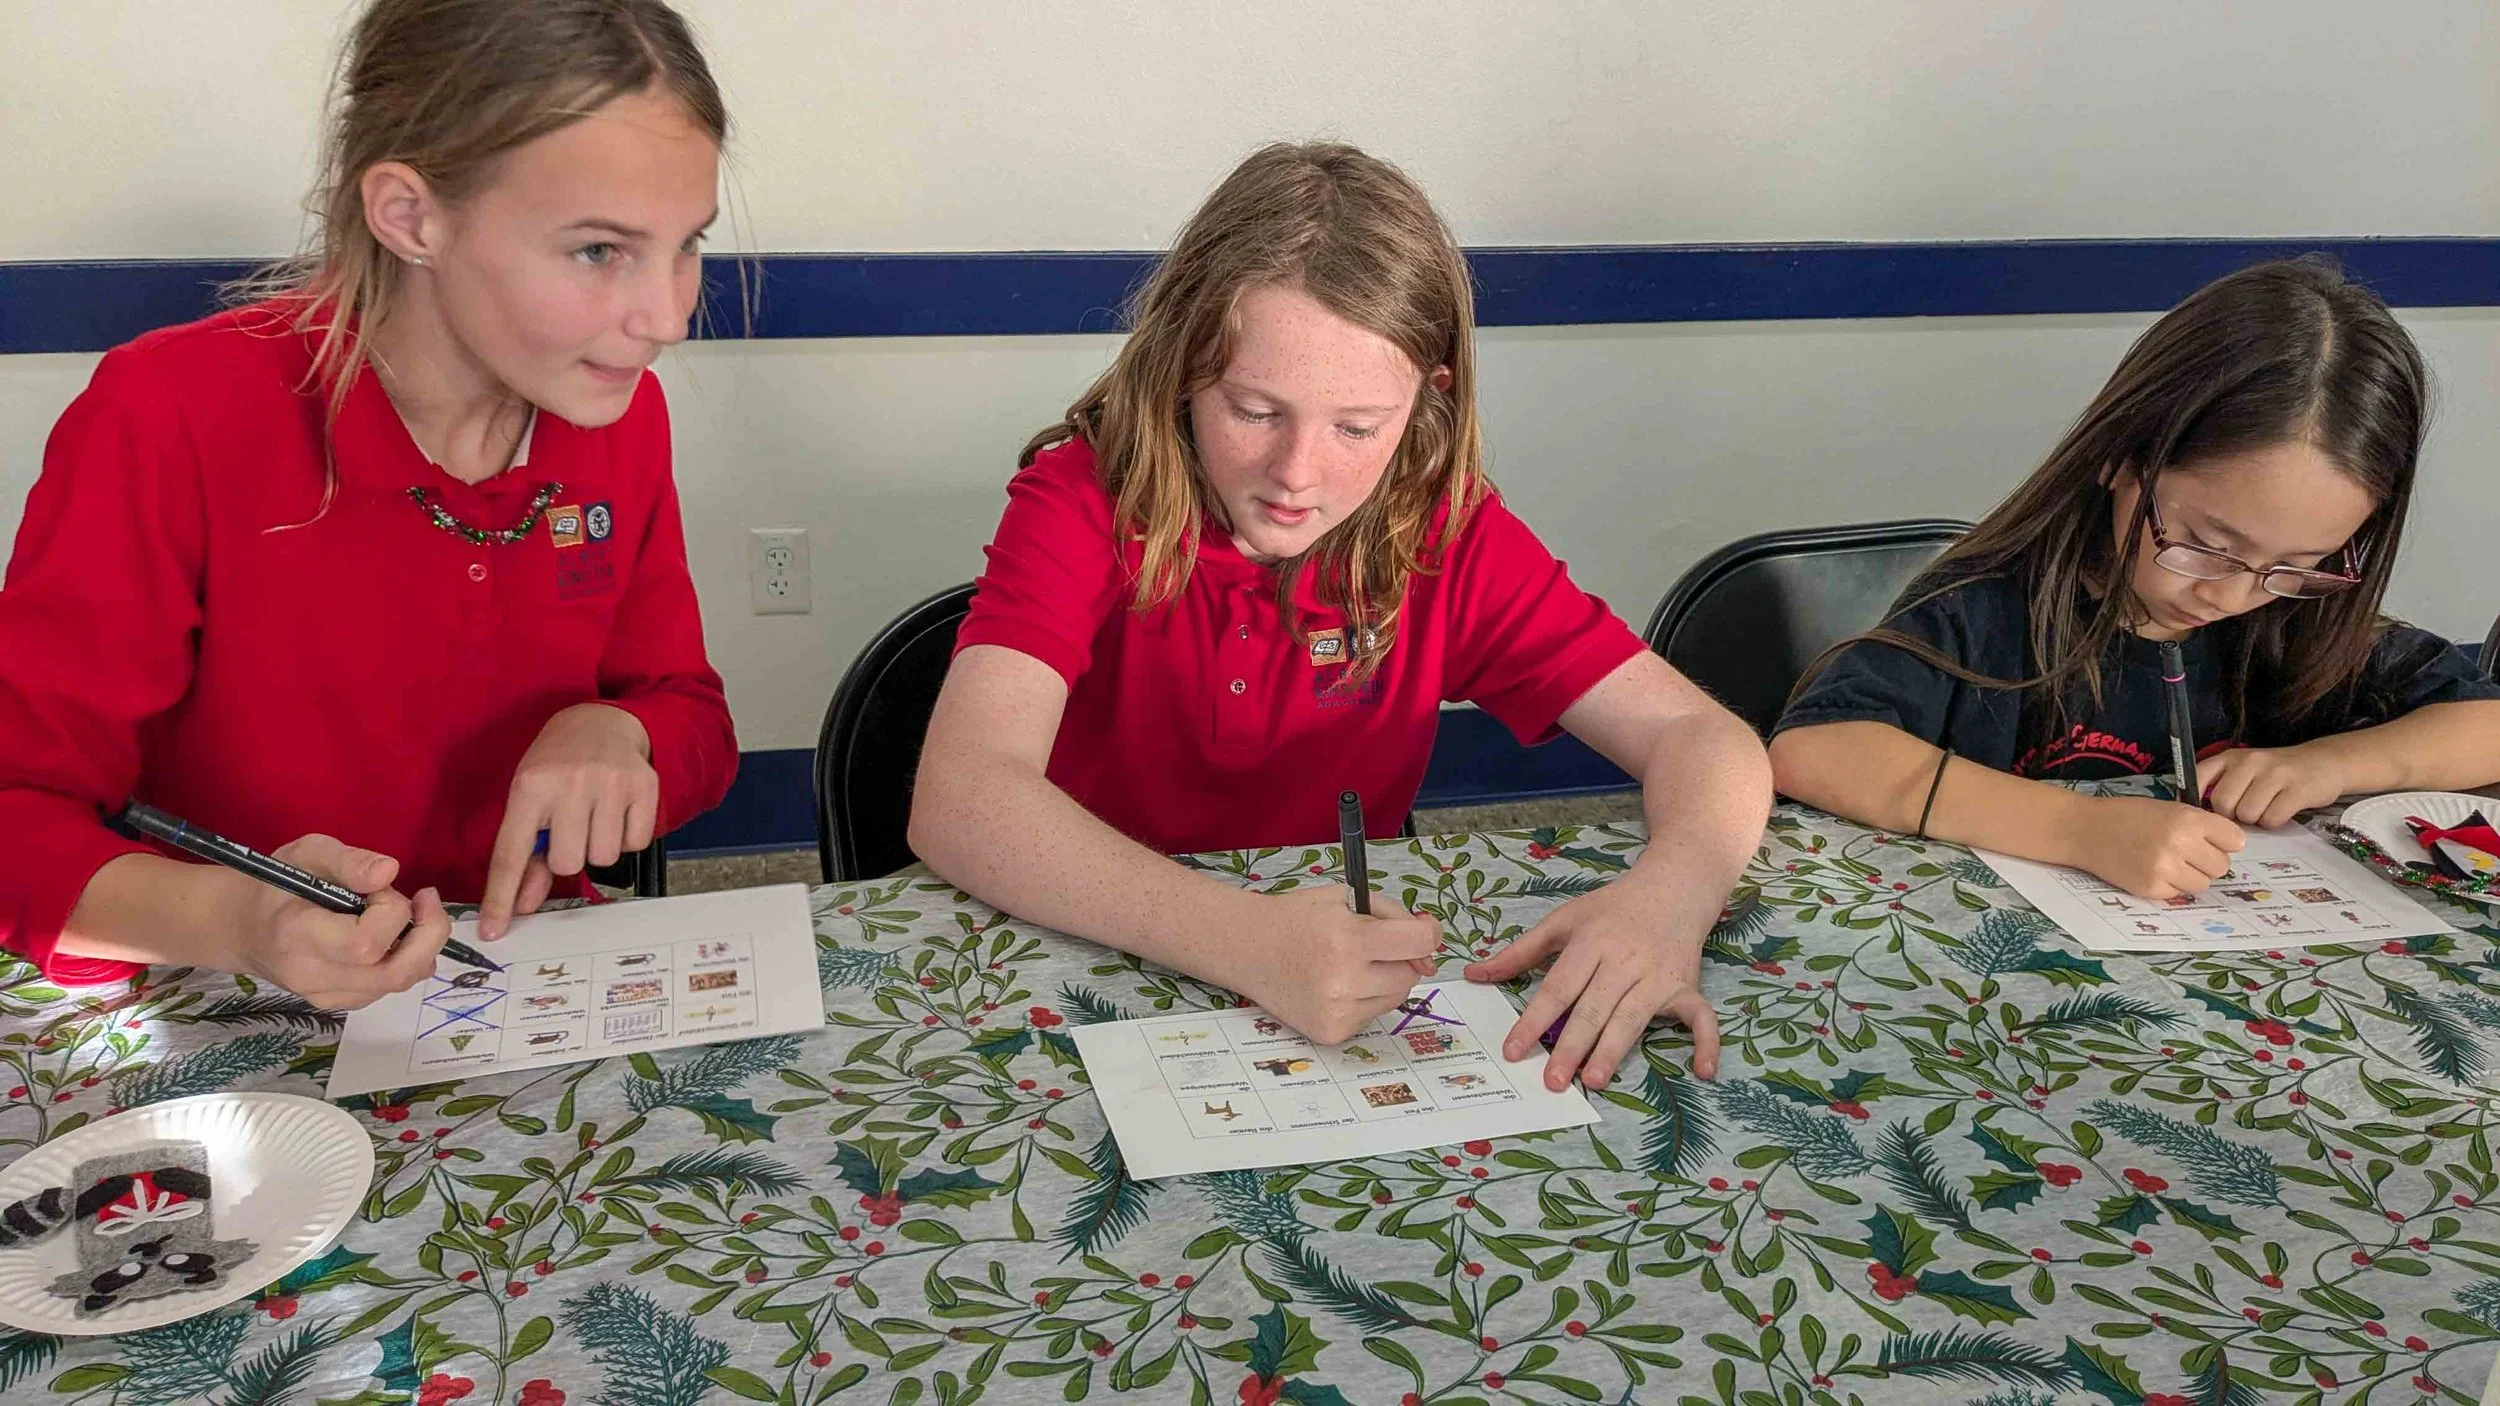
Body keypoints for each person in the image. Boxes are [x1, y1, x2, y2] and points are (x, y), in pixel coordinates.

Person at [911, 142, 1772, 1091]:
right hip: (1090, 952)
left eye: (1357, 428)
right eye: (1253, 409)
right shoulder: (1081, 499)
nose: (1296, 473)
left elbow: (1706, 737)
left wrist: (1673, 893)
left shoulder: (1446, 533)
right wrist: (1242, 937)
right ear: (1182, 370)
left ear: (1425, 405)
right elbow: (961, 796)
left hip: (1339, 1002)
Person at [0, 0, 738, 1008]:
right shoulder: (169, 414)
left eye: (685, 244)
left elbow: (691, 716)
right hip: (233, 1003)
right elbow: (18, 814)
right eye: (599, 251)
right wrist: (239, 921)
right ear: (410, 215)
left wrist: (616, 733)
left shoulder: (614, 411)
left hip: (519, 985)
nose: (667, 316)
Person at [1771, 259, 2500, 898]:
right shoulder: (1987, 608)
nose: (2232, 594)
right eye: (2207, 545)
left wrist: (2332, 763)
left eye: (2297, 566)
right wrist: (2080, 829)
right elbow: (1819, 750)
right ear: (2125, 459)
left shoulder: (2298, 620)